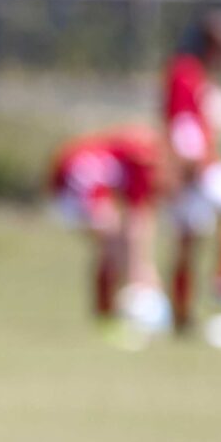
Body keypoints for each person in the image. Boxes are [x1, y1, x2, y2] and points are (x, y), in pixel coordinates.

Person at [162, 11, 221, 333]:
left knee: (189, 242)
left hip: (190, 166)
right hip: (197, 166)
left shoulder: (197, 72)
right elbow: (181, 124)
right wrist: (191, 165)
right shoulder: (186, 72)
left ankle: (181, 316)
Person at [47, 125, 163, 327]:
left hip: (64, 185)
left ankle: (109, 311)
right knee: (114, 245)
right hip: (74, 188)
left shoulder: (125, 152)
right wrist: (142, 271)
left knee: (113, 248)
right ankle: (115, 310)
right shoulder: (143, 158)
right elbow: (137, 222)